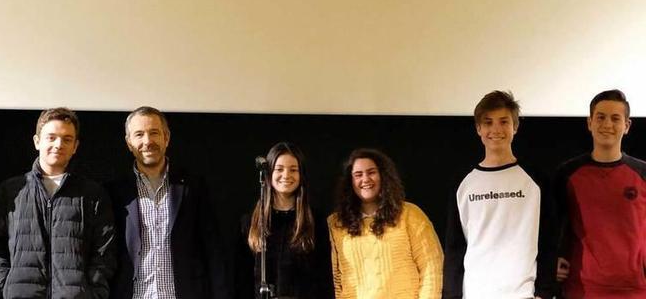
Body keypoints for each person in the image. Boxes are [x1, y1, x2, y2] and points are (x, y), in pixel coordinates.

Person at [106, 106, 231, 299]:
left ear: (167, 137)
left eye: (154, 133)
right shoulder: (115, 192)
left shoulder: (192, 188)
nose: (147, 141)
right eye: (139, 134)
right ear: (129, 142)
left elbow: (212, 250)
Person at [0, 107, 115, 299]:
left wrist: (93, 293)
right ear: (37, 141)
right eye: (51, 137)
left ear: (75, 146)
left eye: (67, 139)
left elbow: (104, 252)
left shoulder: (92, 194)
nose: (59, 144)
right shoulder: (11, 191)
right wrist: (6, 287)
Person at [443, 90, 555, 299]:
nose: (496, 129)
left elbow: (549, 241)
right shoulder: (463, 183)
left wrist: (545, 293)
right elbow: (454, 248)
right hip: (475, 293)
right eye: (488, 122)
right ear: (478, 128)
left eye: (504, 122)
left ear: (515, 126)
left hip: (523, 294)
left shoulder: (536, 180)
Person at [555, 89, 645, 298]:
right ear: (589, 123)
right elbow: (554, 226)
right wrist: (556, 256)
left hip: (635, 290)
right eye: (601, 117)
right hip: (581, 289)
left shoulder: (642, 173)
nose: (607, 125)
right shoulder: (567, 174)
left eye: (615, 118)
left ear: (627, 126)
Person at [328, 148, 442, 299]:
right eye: (358, 175)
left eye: (371, 172)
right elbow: (335, 278)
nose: (365, 179)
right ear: (350, 181)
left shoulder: (410, 215)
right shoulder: (336, 224)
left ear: (383, 176)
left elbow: (431, 266)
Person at [235, 142, 332, 299]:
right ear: (268, 174)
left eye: (293, 170)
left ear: (302, 175)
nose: (286, 175)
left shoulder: (315, 220)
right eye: (279, 169)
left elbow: (324, 277)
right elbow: (241, 279)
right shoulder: (250, 222)